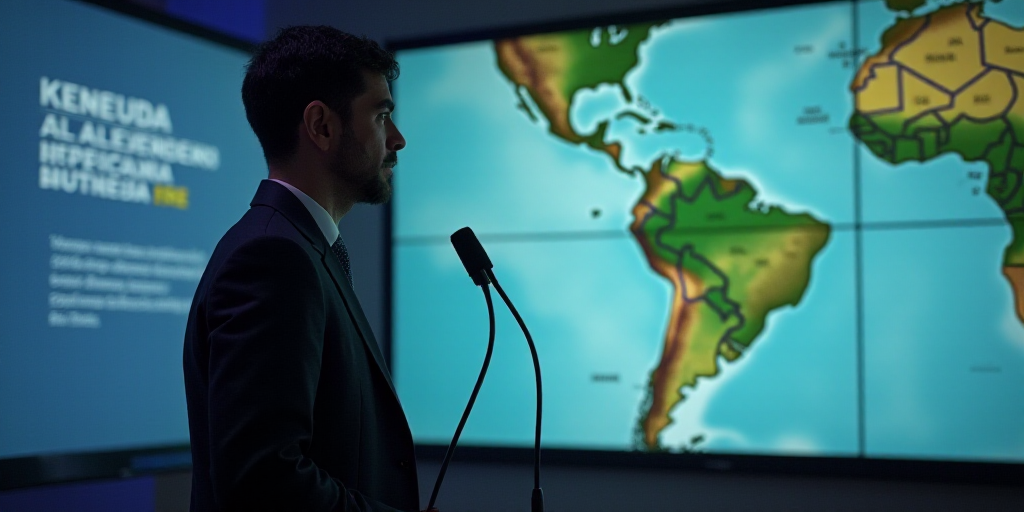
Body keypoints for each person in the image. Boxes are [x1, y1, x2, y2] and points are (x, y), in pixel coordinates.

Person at [182, 26, 419, 512]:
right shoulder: (274, 258)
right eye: (381, 115)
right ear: (321, 126)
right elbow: (262, 481)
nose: (398, 139)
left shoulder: (300, 248)